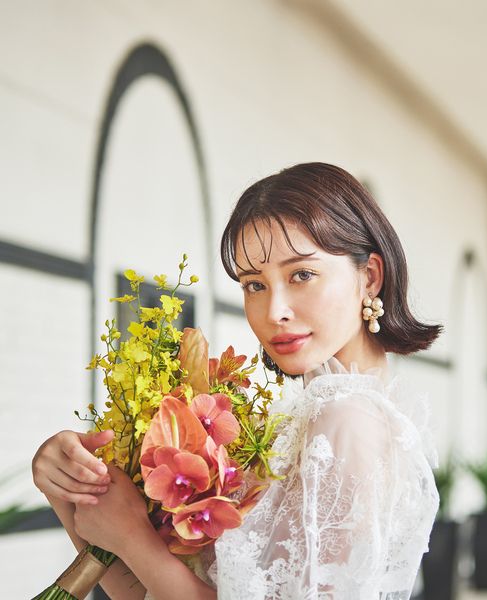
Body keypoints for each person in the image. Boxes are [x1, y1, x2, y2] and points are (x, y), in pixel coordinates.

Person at [32, 162, 442, 599]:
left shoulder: (347, 421)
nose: (274, 311)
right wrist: (75, 490)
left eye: (302, 275)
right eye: (254, 285)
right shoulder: (308, 420)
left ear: (370, 277)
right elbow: (147, 593)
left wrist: (134, 536)